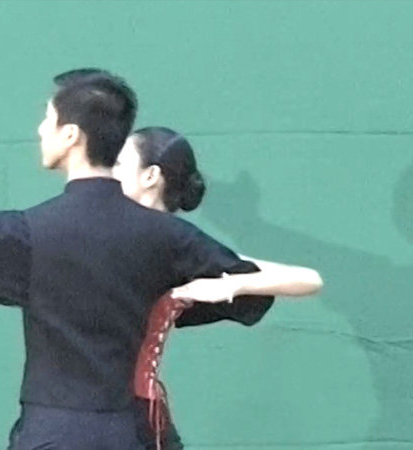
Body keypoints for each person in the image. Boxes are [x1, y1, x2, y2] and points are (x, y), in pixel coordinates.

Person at [0, 69, 275, 450]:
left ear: (71, 135)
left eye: (47, 119)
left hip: (53, 434)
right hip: (128, 434)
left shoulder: (33, 233)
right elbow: (252, 293)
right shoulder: (166, 236)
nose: (40, 129)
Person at [112, 127, 323, 449]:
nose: (107, 174)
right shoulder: (102, 234)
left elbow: (309, 279)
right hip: (83, 413)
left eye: (118, 164)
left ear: (150, 176)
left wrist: (234, 284)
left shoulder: (181, 246)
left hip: (134, 420)